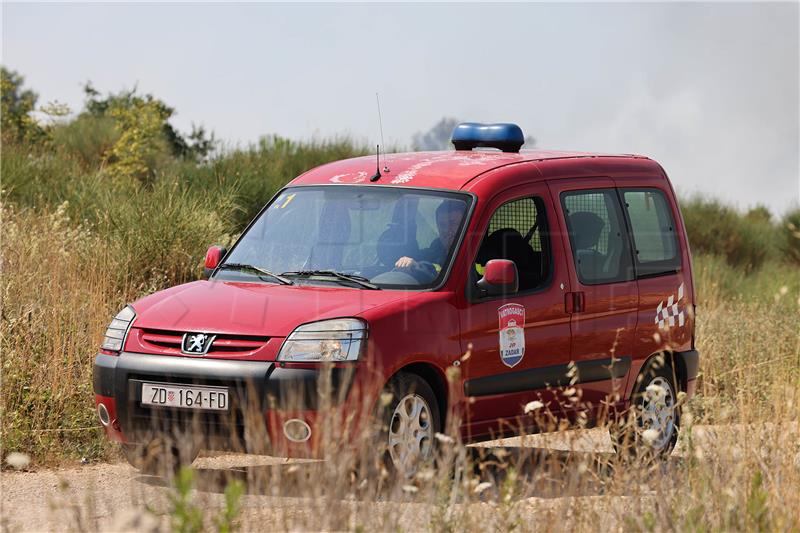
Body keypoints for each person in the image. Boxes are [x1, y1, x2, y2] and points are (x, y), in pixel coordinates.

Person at [395, 199, 465, 275]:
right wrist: (407, 262)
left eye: (452, 223)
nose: (446, 230)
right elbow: (417, 258)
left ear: (465, 224)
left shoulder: (476, 251)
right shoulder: (435, 249)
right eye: (442, 225)